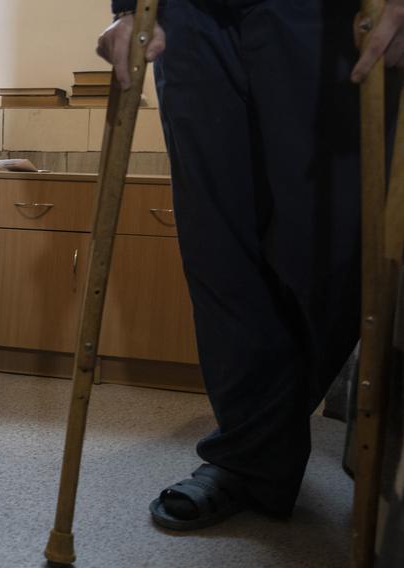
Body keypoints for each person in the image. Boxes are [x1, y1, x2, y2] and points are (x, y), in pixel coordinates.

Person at [96, 0, 403, 530]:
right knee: (218, 248)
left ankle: (260, 442)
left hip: (326, 15)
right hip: (189, 16)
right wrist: (128, 8)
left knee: (338, 242)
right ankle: (247, 457)